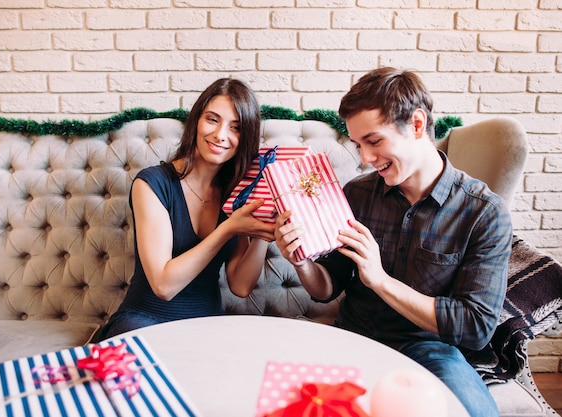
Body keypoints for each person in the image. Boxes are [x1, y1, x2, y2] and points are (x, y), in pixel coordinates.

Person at [273, 67, 512, 417]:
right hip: (350, 337)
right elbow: (326, 288)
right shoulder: (358, 193)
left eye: (374, 141)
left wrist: (380, 280)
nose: (366, 158)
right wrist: (300, 261)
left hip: (429, 350)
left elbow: (474, 326)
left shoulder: (483, 213)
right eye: (358, 145)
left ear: (416, 125)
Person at [96, 78, 275, 341]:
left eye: (235, 128)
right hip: (145, 322)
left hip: (207, 327)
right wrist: (228, 229)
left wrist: (261, 231)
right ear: (196, 121)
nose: (220, 135)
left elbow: (240, 285)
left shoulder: (236, 193)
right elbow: (163, 285)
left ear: (245, 137)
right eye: (212, 120)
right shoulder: (153, 183)